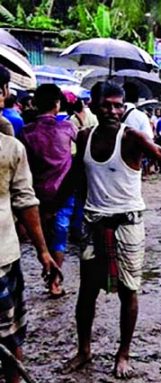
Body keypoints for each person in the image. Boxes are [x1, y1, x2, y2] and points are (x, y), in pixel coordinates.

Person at [66, 81, 161, 378]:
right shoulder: (84, 137)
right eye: (106, 105)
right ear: (93, 106)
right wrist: (50, 209)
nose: (112, 111)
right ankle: (84, 351)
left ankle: (123, 353)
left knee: (128, 290)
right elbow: (76, 179)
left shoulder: (132, 136)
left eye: (117, 105)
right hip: (94, 222)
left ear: (124, 107)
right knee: (86, 292)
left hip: (128, 222)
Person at [0, 94, 61, 383]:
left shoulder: (12, 147)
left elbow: (26, 201)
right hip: (6, 252)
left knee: (12, 333)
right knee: (10, 332)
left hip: (5, 255)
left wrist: (42, 251)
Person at [20, 84, 77, 298]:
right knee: (60, 236)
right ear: (57, 104)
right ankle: (54, 281)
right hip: (63, 192)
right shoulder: (68, 128)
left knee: (42, 237)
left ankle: (49, 270)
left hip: (37, 193)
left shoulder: (25, 132)